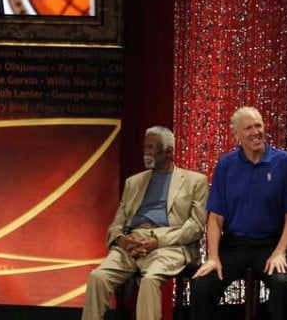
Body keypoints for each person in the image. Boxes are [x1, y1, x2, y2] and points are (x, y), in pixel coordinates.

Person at [82, 126, 209, 320]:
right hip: (131, 243)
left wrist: (157, 240)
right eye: (146, 148)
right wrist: (121, 240)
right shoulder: (134, 182)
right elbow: (117, 223)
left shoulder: (195, 181)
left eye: (153, 148)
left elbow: (195, 227)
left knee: (149, 280)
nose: (147, 153)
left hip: (169, 244)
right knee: (97, 278)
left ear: (169, 152)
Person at [190, 106, 287, 320]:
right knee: (201, 286)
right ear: (237, 135)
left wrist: (280, 251)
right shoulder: (226, 164)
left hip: (270, 244)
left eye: (259, 125)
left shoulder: (284, 162)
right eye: (249, 128)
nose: (256, 132)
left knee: (282, 284)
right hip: (234, 246)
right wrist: (213, 257)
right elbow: (215, 217)